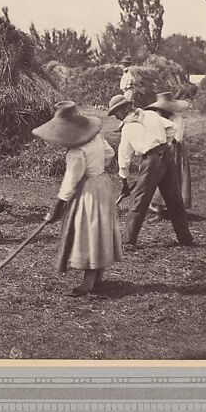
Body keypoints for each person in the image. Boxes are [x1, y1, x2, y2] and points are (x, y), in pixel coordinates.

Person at [33, 101, 123, 296]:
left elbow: (69, 184)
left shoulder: (76, 153)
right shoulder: (97, 137)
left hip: (89, 190)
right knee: (100, 228)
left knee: (88, 231)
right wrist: (97, 167)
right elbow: (110, 153)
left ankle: (88, 282)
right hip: (103, 184)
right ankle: (98, 275)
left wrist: (56, 210)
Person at [108, 93, 194, 248]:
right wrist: (164, 144)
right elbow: (172, 127)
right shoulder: (151, 115)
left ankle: (128, 241)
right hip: (167, 156)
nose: (116, 117)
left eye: (116, 113)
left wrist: (124, 180)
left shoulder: (128, 128)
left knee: (139, 201)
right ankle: (185, 238)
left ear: (125, 108)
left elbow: (124, 156)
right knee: (174, 199)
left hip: (152, 161)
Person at [149, 91, 193, 215]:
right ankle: (158, 207)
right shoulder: (160, 119)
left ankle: (171, 207)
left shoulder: (177, 119)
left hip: (175, 149)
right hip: (163, 148)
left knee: (173, 176)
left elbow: (177, 138)